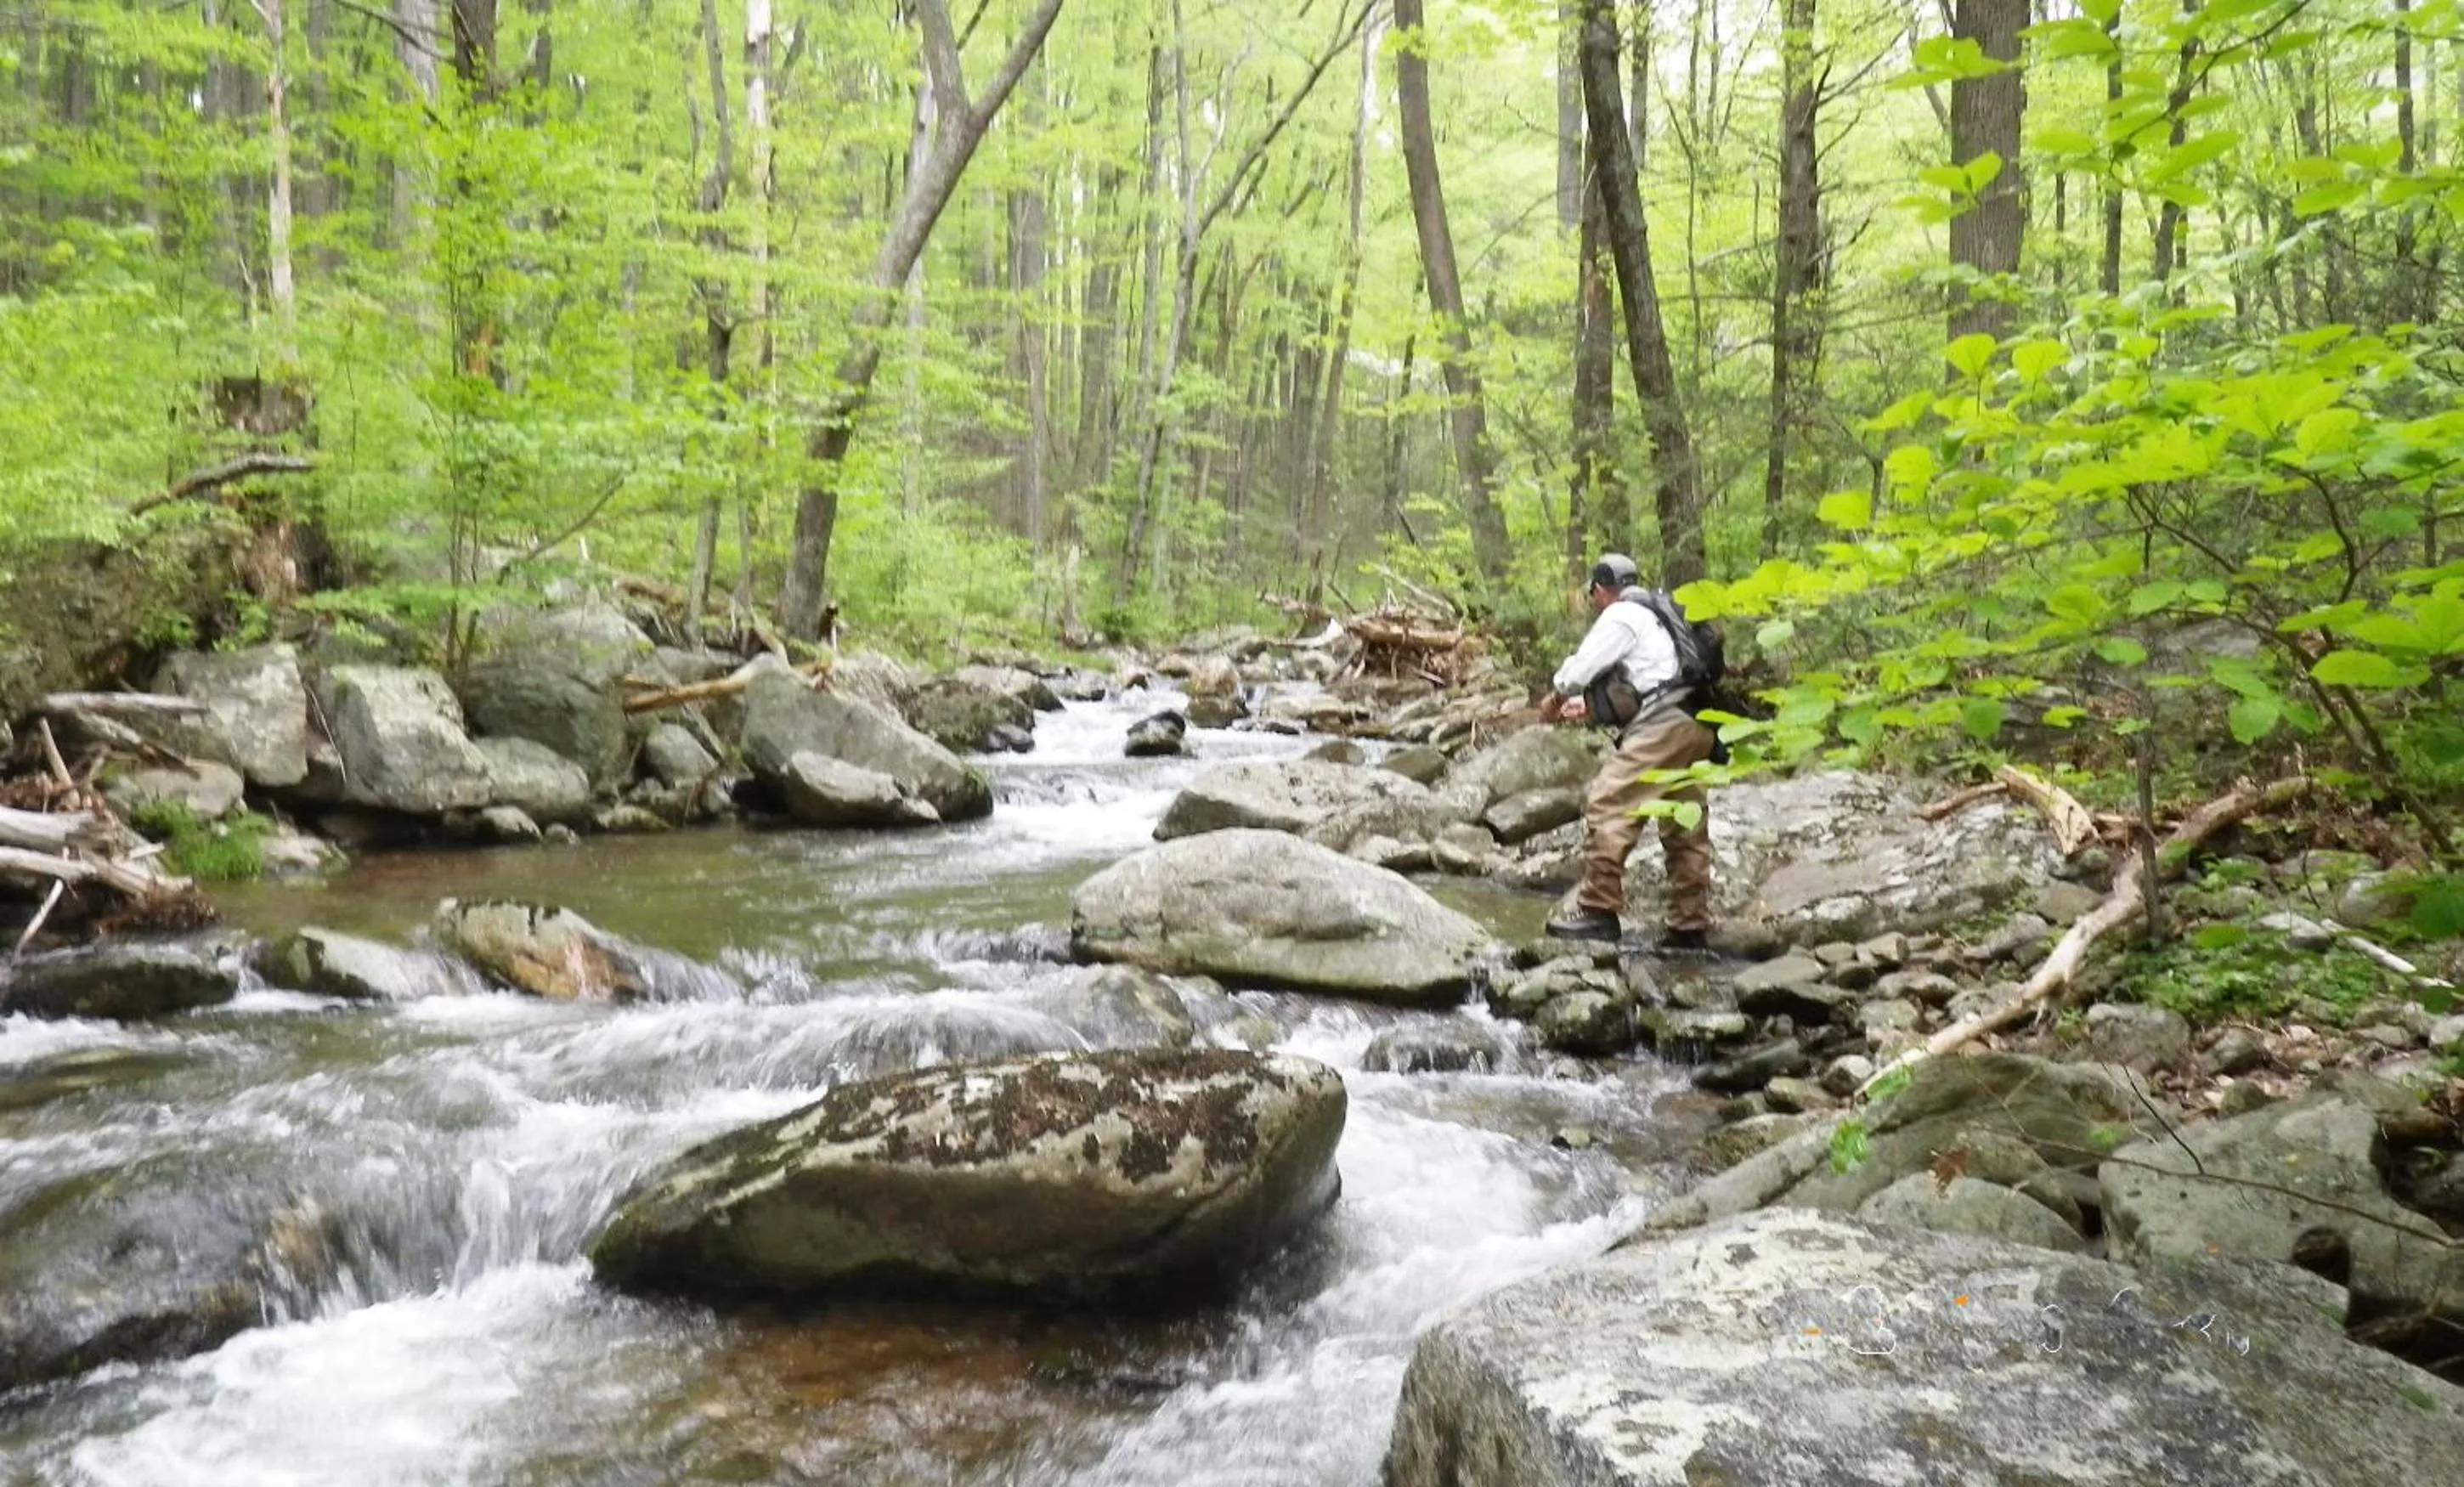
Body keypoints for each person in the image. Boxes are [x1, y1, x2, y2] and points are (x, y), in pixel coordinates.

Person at [1537, 553, 1719, 947]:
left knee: (1608, 802)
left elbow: (1578, 671)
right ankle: (1690, 925)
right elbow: (1655, 676)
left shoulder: (1622, 615)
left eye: (1594, 595)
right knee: (1683, 822)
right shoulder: (1665, 611)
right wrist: (1588, 707)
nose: (1595, 602)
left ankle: (1599, 910)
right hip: (1698, 722)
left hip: (1663, 725)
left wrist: (1554, 698)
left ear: (1601, 590)